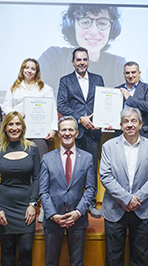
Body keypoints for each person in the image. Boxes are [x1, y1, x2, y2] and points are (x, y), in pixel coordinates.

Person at [100, 107, 148, 266]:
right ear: (120, 125)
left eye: (134, 121)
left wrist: (135, 199)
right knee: (113, 257)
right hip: (114, 208)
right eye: (126, 121)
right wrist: (126, 199)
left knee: (141, 256)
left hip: (141, 208)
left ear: (140, 124)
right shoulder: (109, 146)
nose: (130, 124)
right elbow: (105, 176)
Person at [39, 116, 96, 266]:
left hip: (78, 218)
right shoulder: (47, 158)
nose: (67, 133)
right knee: (51, 262)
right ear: (58, 133)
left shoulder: (87, 158)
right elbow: (43, 191)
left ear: (77, 133)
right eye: (64, 130)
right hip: (53, 219)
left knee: (77, 262)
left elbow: (90, 188)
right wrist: (52, 214)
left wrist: (78, 212)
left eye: (71, 129)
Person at [0, 111, 40, 266]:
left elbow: (37, 178)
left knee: (26, 250)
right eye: (10, 124)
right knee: (7, 251)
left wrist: (33, 204)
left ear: (23, 127)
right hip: (4, 207)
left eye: (18, 124)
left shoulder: (32, 149)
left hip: (26, 208)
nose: (14, 127)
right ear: (5, 128)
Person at [57, 47, 103, 218]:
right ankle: (73, 202)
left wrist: (102, 119)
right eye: (78, 60)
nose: (82, 62)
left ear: (88, 61)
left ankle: (90, 203)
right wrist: (80, 118)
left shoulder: (98, 79)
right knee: (72, 168)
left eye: (85, 59)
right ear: (73, 62)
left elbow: (103, 103)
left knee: (91, 168)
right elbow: (62, 105)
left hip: (93, 132)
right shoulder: (65, 80)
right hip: (73, 133)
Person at [39, 4, 126, 93]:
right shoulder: (53, 58)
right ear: (72, 25)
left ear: (112, 28)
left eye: (103, 23)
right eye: (85, 22)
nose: (94, 32)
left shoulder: (119, 66)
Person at [3, 58, 57, 157]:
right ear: (22, 70)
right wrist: (16, 114)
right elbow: (6, 106)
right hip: (17, 131)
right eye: (27, 68)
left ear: (37, 72)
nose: (29, 71)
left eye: (33, 69)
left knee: (40, 162)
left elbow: (52, 111)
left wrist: (53, 129)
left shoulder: (46, 89)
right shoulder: (13, 87)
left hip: (39, 133)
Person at [115, 61, 148, 146]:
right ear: (124, 74)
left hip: (144, 135)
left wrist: (129, 98)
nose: (130, 75)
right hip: (121, 135)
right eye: (127, 73)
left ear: (139, 73)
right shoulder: (117, 90)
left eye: (133, 72)